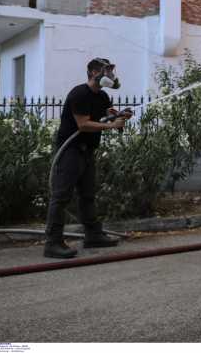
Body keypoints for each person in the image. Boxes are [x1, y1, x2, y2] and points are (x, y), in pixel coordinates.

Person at [43, 58, 132, 259]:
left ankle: (93, 235)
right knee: (61, 197)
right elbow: (83, 124)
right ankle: (53, 243)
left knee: (88, 195)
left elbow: (107, 113)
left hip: (87, 151)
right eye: (106, 70)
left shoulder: (101, 96)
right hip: (70, 151)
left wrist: (120, 115)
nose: (110, 74)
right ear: (93, 72)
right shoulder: (79, 94)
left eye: (111, 70)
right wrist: (112, 125)